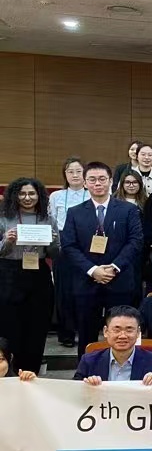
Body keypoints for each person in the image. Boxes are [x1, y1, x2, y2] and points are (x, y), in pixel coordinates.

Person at [61, 162, 143, 357]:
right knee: (86, 333)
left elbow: (136, 241)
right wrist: (93, 270)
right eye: (92, 180)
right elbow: (69, 246)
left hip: (119, 280)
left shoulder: (128, 210)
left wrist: (114, 267)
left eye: (102, 179)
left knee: (121, 332)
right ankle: (86, 370)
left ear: (111, 181)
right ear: (85, 183)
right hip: (87, 281)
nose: (97, 183)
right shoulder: (74, 212)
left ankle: (123, 369)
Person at [0, 178, 58, 374]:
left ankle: (31, 372)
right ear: (14, 195)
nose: (27, 197)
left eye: (32, 193)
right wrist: (6, 241)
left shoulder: (48, 219)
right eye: (22, 193)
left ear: (39, 196)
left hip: (38, 274)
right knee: (9, 326)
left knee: (37, 327)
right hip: (8, 275)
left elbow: (56, 254)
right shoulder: (4, 218)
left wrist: (52, 243)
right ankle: (7, 373)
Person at [48, 157, 88, 348]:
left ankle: (85, 330)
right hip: (62, 245)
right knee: (64, 291)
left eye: (78, 171)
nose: (75, 175)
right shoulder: (56, 196)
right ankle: (66, 333)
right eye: (70, 171)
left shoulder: (91, 194)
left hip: (86, 246)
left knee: (84, 289)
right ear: (65, 174)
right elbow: (51, 221)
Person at [73, 306, 152, 385]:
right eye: (117, 330)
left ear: (138, 332)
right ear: (106, 331)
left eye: (129, 330)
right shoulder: (89, 361)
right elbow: (74, 392)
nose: (122, 336)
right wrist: (86, 386)